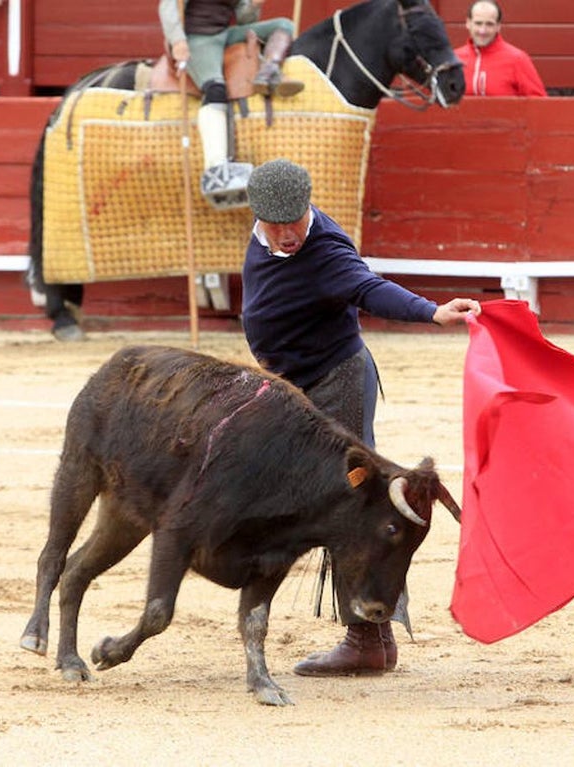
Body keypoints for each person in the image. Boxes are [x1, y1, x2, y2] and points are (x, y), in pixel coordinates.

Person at [241, 158, 481, 676]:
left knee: (352, 500)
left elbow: (367, 287)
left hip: (335, 381)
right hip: (293, 385)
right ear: (257, 216)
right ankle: (375, 639)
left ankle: (366, 638)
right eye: (275, 225)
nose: (288, 235)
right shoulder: (268, 231)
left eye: (296, 222)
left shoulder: (324, 248)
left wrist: (430, 311)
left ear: (309, 208)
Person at [159, 1, 305, 207]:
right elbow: (168, 6)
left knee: (284, 25)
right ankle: (216, 168)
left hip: (226, 35)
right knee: (215, 88)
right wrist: (178, 41)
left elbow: (245, 19)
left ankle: (269, 71)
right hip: (197, 40)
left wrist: (252, 6)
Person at [454, 1, 546, 97]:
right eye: (478, 23)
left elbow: (539, 103)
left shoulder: (517, 59)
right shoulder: (454, 59)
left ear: (498, 26)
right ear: (468, 23)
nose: (482, 30)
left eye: (489, 24)